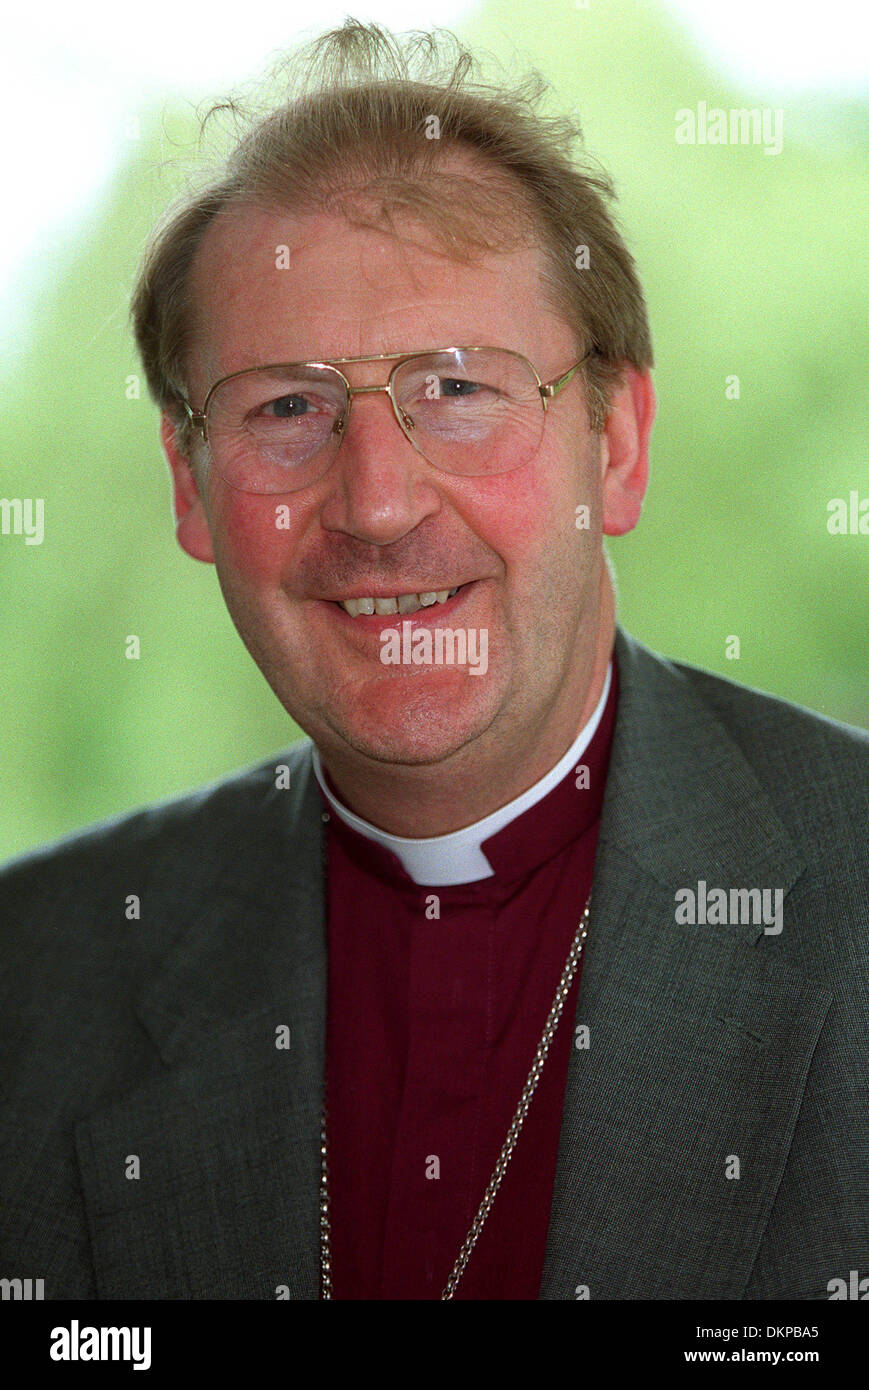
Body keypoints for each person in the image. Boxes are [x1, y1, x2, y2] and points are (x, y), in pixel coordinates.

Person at [1, 20, 865, 1302]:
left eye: (457, 387)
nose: (376, 502)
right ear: (190, 488)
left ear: (615, 445)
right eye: (284, 406)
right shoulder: (33, 973)